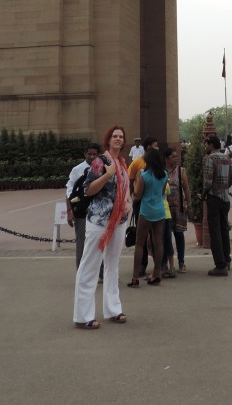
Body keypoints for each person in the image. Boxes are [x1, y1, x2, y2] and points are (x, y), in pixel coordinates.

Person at [73, 126, 131, 329]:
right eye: (115, 136)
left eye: (121, 137)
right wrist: (107, 175)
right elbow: (88, 190)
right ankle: (83, 316)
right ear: (108, 140)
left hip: (118, 221)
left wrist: (128, 205)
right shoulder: (101, 162)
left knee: (112, 265)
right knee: (90, 265)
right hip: (99, 220)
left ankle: (113, 309)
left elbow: (125, 190)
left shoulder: (123, 164)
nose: (118, 139)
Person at [127, 147, 167, 286]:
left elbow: (137, 196)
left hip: (146, 211)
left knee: (139, 243)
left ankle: (135, 277)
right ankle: (157, 273)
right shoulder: (164, 174)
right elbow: (162, 193)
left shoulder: (144, 176)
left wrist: (136, 184)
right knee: (158, 242)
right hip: (160, 211)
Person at [65, 143, 100, 269]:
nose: (91, 156)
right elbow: (69, 191)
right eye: (89, 154)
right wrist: (70, 211)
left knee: (99, 240)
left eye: (94, 154)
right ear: (85, 154)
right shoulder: (77, 170)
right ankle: (81, 270)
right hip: (81, 211)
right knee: (81, 241)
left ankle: (101, 271)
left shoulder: (102, 169)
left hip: (98, 211)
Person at [202, 133, 232, 276]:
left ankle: (220, 265)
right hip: (225, 199)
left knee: (215, 232)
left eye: (207, 144)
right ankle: (226, 260)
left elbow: (207, 181)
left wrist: (203, 194)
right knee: (224, 230)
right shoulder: (227, 158)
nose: (206, 146)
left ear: (211, 145)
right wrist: (223, 187)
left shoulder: (210, 158)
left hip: (214, 198)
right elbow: (231, 179)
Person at [128, 136, 158, 277]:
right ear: (148, 148)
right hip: (140, 202)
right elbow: (131, 180)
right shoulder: (137, 163)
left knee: (156, 237)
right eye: (154, 146)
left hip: (155, 202)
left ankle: (159, 268)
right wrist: (132, 196)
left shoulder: (158, 163)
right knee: (142, 237)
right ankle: (142, 266)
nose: (157, 148)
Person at [164, 146, 191, 273]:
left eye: (176, 156)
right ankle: (164, 263)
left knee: (179, 234)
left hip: (179, 207)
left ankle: (181, 262)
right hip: (164, 208)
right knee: (166, 236)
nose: (176, 158)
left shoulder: (181, 170)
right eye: (173, 156)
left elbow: (186, 188)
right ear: (166, 158)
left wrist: (189, 204)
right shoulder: (162, 171)